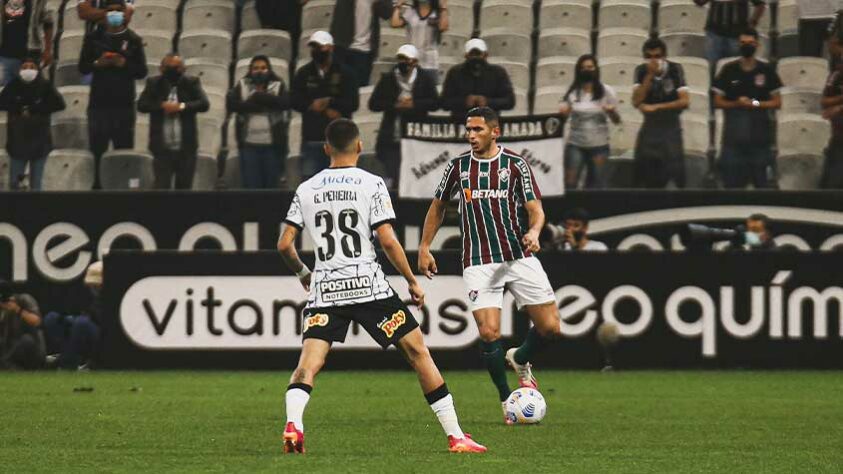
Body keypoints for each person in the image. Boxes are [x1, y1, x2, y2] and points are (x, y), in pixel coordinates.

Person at [277, 118, 486, 454]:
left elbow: (284, 244)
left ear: (326, 148)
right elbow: (387, 241)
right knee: (419, 353)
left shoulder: (307, 188)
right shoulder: (371, 184)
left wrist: (304, 273)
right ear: (360, 146)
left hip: (327, 290)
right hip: (369, 288)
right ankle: (456, 436)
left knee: (308, 364)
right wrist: (412, 281)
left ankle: (294, 424)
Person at [418, 106, 563, 425]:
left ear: (495, 131)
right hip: (477, 260)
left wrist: (535, 231)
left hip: (518, 255)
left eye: (477, 130)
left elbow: (535, 209)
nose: (471, 135)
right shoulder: (458, 167)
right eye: (468, 130)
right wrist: (425, 246)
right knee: (488, 332)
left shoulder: (515, 165)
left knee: (551, 327)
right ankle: (505, 400)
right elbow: (438, 206)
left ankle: (520, 358)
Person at [78, 0, 146, 190]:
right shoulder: (93, 38)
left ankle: (123, 192)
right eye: (110, 10)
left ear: (125, 14)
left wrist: (123, 64)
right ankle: (97, 191)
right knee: (97, 152)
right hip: (98, 106)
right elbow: (83, 67)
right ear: (104, 13)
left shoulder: (134, 39)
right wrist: (97, 64)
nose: (114, 13)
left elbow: (141, 71)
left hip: (123, 106)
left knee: (122, 154)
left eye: (118, 10)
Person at [712, 28, 782, 189]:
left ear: (757, 44)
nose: (746, 46)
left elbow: (777, 102)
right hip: (733, 139)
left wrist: (754, 103)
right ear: (738, 45)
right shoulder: (728, 69)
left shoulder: (766, 70)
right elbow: (717, 102)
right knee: (731, 186)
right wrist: (737, 103)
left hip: (759, 139)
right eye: (743, 43)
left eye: (750, 43)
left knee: (760, 186)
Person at [291, 31, 359, 181]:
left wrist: (330, 102)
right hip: (312, 137)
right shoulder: (303, 73)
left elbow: (353, 103)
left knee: (340, 183)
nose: (316, 51)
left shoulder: (346, 73)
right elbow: (294, 100)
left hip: (340, 142)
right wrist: (311, 105)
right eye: (313, 47)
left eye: (320, 47)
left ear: (330, 48)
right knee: (312, 184)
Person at [368, 44, 439, 188]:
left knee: (416, 177)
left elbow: (436, 103)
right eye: (400, 58)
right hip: (392, 135)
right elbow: (373, 104)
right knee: (394, 175)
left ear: (415, 62)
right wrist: (394, 105)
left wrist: (414, 104)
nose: (403, 62)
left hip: (417, 135)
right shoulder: (388, 78)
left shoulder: (424, 78)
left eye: (407, 59)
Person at [137, 53, 210, 190]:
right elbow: (142, 105)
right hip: (161, 149)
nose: (171, 70)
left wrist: (181, 106)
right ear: (161, 68)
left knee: (184, 190)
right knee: (161, 189)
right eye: (167, 67)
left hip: (186, 149)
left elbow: (204, 104)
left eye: (176, 67)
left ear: (183, 68)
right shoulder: (153, 83)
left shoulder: (191, 82)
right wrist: (162, 106)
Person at [0, 55, 65, 191]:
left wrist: (35, 109)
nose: (28, 70)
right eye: (24, 67)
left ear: (38, 70)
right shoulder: (13, 85)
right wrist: (19, 108)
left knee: (36, 185)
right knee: (15, 184)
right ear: (19, 70)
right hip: (17, 143)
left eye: (32, 67)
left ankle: (36, 211)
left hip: (40, 143)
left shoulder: (45, 86)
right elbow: (2, 102)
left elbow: (60, 104)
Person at [632, 38, 690, 189]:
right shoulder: (641, 71)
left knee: (676, 173)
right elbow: (636, 101)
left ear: (664, 56)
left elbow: (684, 101)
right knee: (647, 173)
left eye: (657, 56)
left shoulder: (675, 69)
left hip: (671, 126)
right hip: (650, 128)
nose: (653, 60)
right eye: (649, 57)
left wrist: (657, 107)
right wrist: (649, 77)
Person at [226, 55, 290, 189]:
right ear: (250, 70)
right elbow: (231, 104)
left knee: (271, 187)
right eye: (255, 68)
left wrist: (259, 97)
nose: (259, 71)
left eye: (263, 68)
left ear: (269, 70)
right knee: (251, 187)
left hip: (273, 147)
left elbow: (286, 103)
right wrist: (258, 105)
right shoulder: (242, 84)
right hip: (249, 146)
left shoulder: (278, 84)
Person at [559, 54, 621, 189]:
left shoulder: (607, 91)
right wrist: (563, 114)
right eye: (583, 68)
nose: (587, 70)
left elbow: (617, 120)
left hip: (599, 146)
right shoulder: (572, 93)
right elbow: (562, 119)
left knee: (597, 185)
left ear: (596, 69)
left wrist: (611, 111)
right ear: (578, 71)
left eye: (590, 67)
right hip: (576, 145)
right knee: (570, 183)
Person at [43, 261, 103, 370]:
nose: (93, 287)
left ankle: (67, 365)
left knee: (81, 323)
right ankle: (66, 354)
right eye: (92, 285)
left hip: (105, 338)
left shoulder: (116, 295)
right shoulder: (91, 295)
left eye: (96, 284)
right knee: (52, 318)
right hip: (87, 327)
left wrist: (84, 319)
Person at [441, 38, 515, 122]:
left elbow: (509, 101)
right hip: (461, 122)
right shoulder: (455, 72)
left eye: (478, 54)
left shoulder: (498, 72)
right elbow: (444, 102)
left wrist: (487, 102)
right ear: (466, 55)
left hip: (488, 122)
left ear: (486, 55)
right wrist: (464, 102)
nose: (475, 57)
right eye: (472, 54)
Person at [330, 0, 393, 88]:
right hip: (342, 46)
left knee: (360, 89)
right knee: (336, 87)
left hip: (365, 51)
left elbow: (387, 14)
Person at [694, 0, 765, 74]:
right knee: (712, 70)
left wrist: (752, 24)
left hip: (737, 35)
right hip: (714, 33)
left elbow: (760, 5)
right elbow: (699, 2)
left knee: (735, 70)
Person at [0, 0, 54, 86]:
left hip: (30, 55)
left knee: (31, 94)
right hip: (4, 55)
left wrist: (48, 49)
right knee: (5, 95)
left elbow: (48, 21)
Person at [390, 0, 449, 77]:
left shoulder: (436, 13)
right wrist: (398, 6)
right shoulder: (410, 12)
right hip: (412, 60)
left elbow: (443, 27)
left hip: (430, 61)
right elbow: (395, 23)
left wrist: (443, 8)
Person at [0, 279, 44, 370]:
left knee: (26, 340)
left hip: (30, 346)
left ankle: (6, 364)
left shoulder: (24, 300)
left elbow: (37, 321)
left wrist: (17, 310)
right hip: (10, 347)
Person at [822, 31, 843, 189]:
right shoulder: (836, 73)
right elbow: (824, 101)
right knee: (831, 184)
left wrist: (839, 107)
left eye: (833, 43)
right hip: (839, 137)